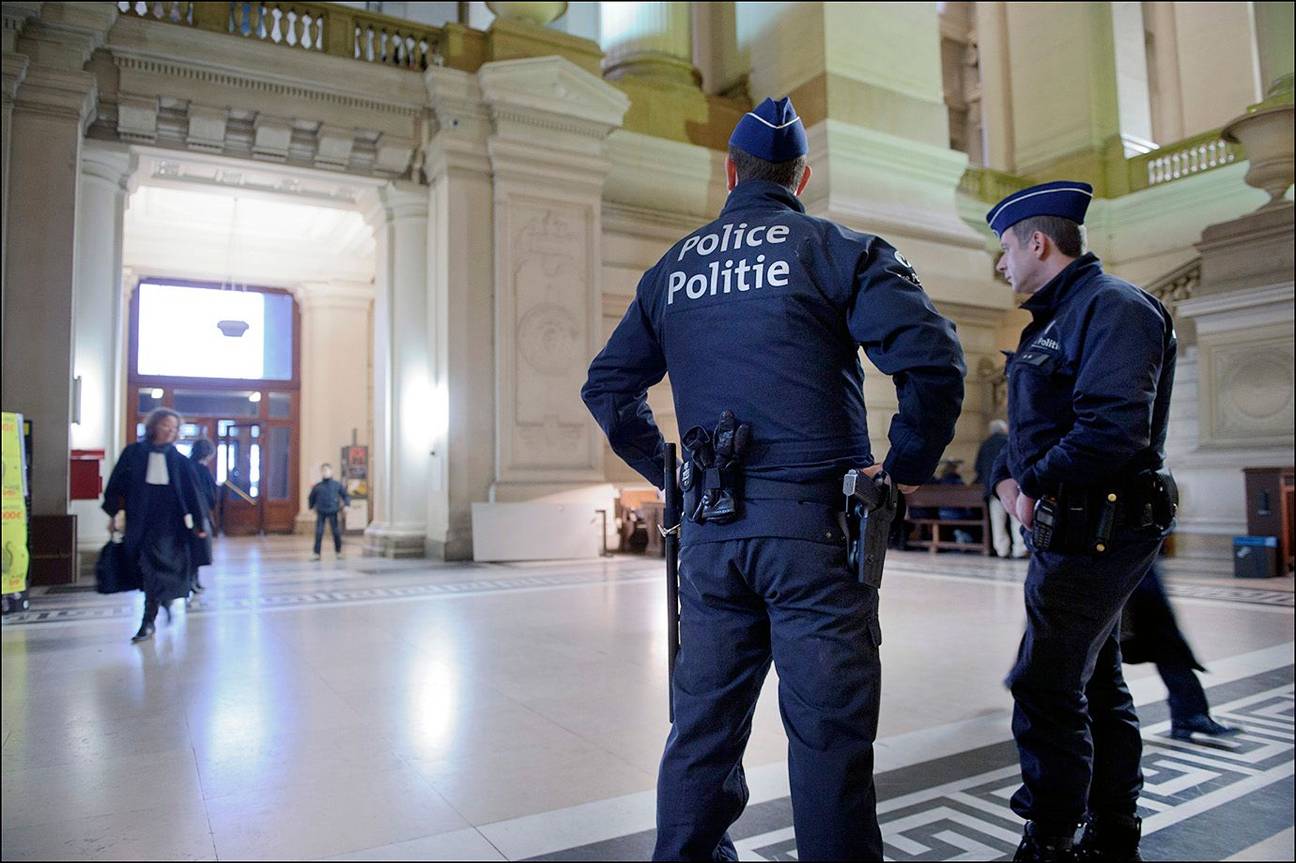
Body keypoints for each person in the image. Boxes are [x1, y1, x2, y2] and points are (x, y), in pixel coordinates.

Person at [582, 96, 965, 862]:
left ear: (730, 173)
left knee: (701, 731)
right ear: (802, 176)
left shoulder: (675, 268)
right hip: (817, 536)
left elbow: (607, 387)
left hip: (713, 535)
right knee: (827, 740)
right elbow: (934, 361)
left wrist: (674, 474)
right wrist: (903, 472)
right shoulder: (836, 248)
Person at [987, 181, 1179, 862]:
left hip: (1104, 523)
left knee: (1044, 680)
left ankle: (1051, 833)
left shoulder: (1114, 308)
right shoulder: (1057, 318)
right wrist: (1008, 479)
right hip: (1067, 524)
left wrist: (1031, 483)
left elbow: (1111, 430)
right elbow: (1033, 428)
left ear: (1037, 242)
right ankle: (1111, 826)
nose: (1003, 263)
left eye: (1005, 248)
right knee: (1093, 678)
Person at [102, 408, 207, 643]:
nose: (171, 431)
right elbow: (117, 484)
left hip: (170, 525)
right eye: (166, 426)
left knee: (160, 570)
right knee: (147, 570)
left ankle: (148, 620)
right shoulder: (134, 454)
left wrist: (199, 524)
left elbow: (192, 494)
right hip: (141, 522)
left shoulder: (179, 461)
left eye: (175, 427)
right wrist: (113, 515)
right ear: (154, 426)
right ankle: (158, 606)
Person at [1122, 562, 1237, 740]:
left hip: (1139, 575)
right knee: (1101, 665)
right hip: (1117, 577)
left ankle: (1190, 715)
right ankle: (1189, 715)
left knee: (1169, 648)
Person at [977, 419, 1027, 558]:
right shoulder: (1008, 441)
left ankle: (1001, 550)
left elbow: (978, 468)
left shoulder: (984, 445)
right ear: (1004, 429)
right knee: (1015, 517)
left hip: (992, 489)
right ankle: (1019, 549)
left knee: (997, 521)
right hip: (1010, 485)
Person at [186, 438, 219, 594]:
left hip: (190, 513)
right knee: (198, 548)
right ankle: (193, 580)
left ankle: (194, 580)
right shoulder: (201, 469)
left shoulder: (188, 466)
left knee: (195, 548)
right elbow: (211, 494)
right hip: (199, 513)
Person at [308, 463, 349, 560]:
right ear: (321, 472)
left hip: (333, 511)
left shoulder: (337, 485)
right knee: (319, 532)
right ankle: (316, 553)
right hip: (321, 512)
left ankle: (338, 552)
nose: (326, 472)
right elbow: (311, 497)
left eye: (327, 470)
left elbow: (345, 495)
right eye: (324, 470)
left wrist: (347, 505)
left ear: (331, 471)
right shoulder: (317, 486)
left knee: (336, 532)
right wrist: (311, 507)